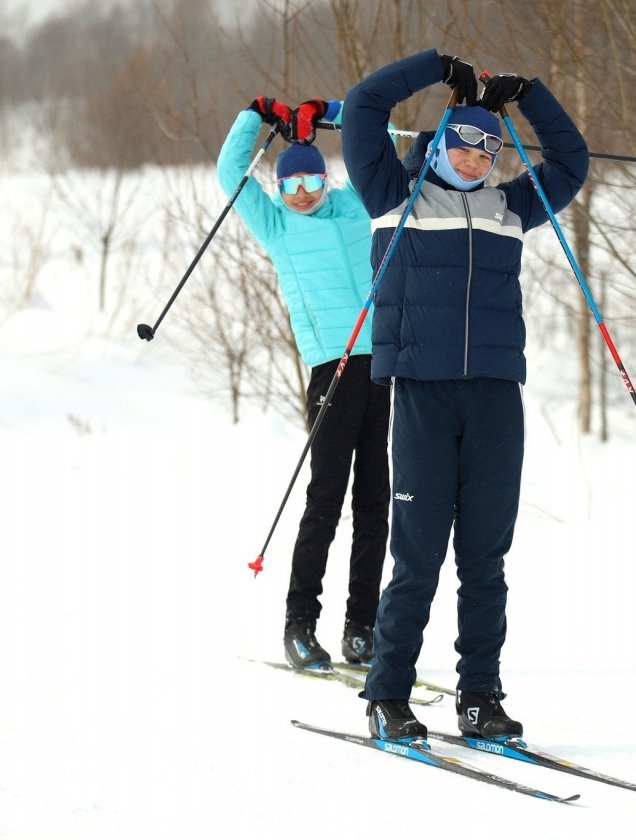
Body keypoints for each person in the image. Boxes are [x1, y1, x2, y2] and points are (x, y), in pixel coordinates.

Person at [341, 51, 589, 741]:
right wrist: (435, 68)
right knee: (417, 554)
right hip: (423, 395)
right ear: (442, 139)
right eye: (466, 142)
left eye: (491, 146)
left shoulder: (512, 206)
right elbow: (362, 104)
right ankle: (387, 694)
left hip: (493, 398)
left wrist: (531, 93)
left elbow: (572, 162)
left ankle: (479, 696)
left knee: (485, 556)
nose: (480, 156)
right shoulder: (394, 193)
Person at [218, 96, 391, 671]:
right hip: (331, 371)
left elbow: (383, 138)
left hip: (382, 365)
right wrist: (256, 113)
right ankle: (299, 625)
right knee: (325, 499)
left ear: (326, 176)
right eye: (292, 185)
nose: (304, 193)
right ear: (281, 189)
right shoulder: (276, 225)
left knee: (374, 502)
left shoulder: (353, 205)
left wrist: (340, 113)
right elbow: (227, 173)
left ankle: (361, 628)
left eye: (312, 179)